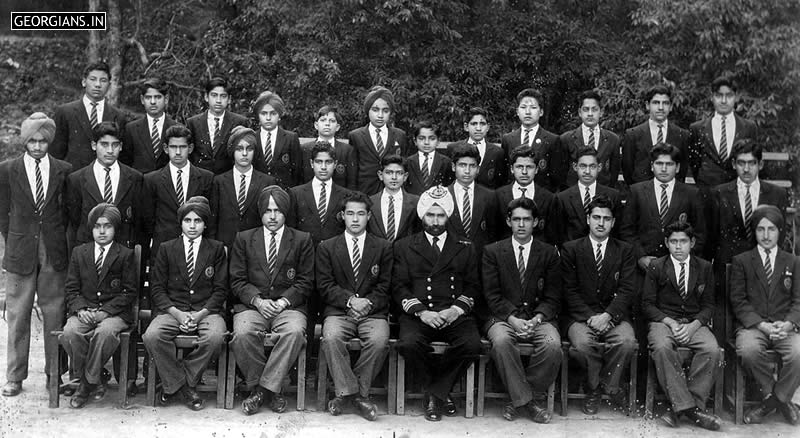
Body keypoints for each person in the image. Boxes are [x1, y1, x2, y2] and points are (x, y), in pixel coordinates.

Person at [392, 186, 482, 422]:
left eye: (440, 215)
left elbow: (474, 286)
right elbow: (399, 286)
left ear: (448, 216)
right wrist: (422, 312)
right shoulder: (404, 246)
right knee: (409, 344)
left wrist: (455, 310)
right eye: (430, 215)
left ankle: (434, 394)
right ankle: (441, 394)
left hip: (453, 313)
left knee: (472, 344)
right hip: (420, 314)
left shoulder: (465, 246)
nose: (435, 220)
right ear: (422, 216)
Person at [0, 113, 72, 397]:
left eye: (43, 140)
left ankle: (55, 374)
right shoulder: (7, 170)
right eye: (33, 140)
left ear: (49, 141)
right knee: (18, 314)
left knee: (55, 312)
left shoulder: (63, 170)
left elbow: (67, 211)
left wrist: (58, 241)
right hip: (20, 250)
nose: (38, 146)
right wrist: (14, 238)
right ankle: (15, 376)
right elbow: (2, 212)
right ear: (24, 140)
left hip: (53, 250)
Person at [229, 186, 314, 416]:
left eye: (277, 210)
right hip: (253, 306)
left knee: (295, 332)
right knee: (243, 333)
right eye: (267, 211)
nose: (273, 216)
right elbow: (236, 280)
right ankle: (268, 389)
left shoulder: (301, 239)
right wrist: (257, 301)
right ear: (260, 213)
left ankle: (261, 391)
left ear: (285, 212)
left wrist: (284, 302)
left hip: (288, 307)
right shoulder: (244, 239)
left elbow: (306, 281)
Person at [142, 196, 228, 411]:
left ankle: (177, 383)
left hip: (206, 312)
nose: (192, 226)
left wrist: (199, 315)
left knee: (216, 336)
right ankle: (185, 387)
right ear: (180, 223)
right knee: (152, 336)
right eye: (187, 220)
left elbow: (220, 290)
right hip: (173, 311)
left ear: (205, 224)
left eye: (197, 221)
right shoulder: (167, 248)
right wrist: (178, 314)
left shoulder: (216, 249)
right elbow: (157, 289)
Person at [480, 197, 562, 423]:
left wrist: (538, 317)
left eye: (527, 219)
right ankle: (529, 403)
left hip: (538, 318)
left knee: (552, 345)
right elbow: (491, 294)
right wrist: (512, 318)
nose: (522, 224)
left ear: (536, 222)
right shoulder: (493, 251)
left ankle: (521, 398)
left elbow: (554, 295)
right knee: (502, 342)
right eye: (516, 219)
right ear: (508, 221)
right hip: (503, 317)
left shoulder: (548, 252)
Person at [316, 192, 392, 421]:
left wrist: (367, 303)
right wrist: (350, 301)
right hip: (340, 311)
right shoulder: (327, 247)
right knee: (331, 338)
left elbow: (386, 285)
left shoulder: (383, 246)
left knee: (379, 340)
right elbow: (325, 285)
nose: (356, 219)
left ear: (369, 216)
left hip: (373, 311)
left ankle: (350, 394)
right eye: (350, 213)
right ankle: (356, 395)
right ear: (342, 216)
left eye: (361, 213)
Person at [642, 220, 721, 430]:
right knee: (661, 347)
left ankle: (685, 405)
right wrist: (668, 321)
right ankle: (692, 410)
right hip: (663, 322)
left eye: (683, 241)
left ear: (692, 243)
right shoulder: (656, 266)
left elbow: (709, 305)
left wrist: (694, 326)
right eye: (674, 241)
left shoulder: (704, 267)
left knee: (712, 349)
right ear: (666, 243)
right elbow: (647, 305)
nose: (678, 246)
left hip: (694, 323)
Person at [561, 195, 637, 416]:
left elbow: (626, 289)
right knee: (583, 345)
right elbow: (569, 290)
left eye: (606, 218)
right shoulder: (571, 249)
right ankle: (595, 387)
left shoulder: (625, 250)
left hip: (614, 315)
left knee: (626, 342)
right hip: (580, 316)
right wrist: (590, 317)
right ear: (588, 219)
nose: (601, 223)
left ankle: (608, 386)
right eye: (596, 217)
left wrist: (608, 316)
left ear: (613, 222)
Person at [708, 139, 788, 338]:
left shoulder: (776, 194)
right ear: (734, 164)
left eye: (751, 163)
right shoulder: (719, 193)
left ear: (760, 165)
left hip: (762, 267)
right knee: (724, 328)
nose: (746, 169)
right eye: (741, 163)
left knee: (757, 326)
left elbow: (780, 233)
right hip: (727, 266)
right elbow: (711, 236)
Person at [730, 205, 800, 426]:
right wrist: (762, 326)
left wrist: (789, 324)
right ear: (754, 232)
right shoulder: (742, 261)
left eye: (771, 229)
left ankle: (772, 401)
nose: (766, 235)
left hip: (784, 326)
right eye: (761, 229)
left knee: (799, 352)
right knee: (748, 350)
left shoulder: (793, 261)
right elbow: (738, 302)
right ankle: (777, 397)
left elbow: (799, 300)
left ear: (780, 231)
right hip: (754, 327)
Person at [61, 204, 136, 408]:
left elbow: (129, 292)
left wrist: (106, 312)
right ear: (91, 229)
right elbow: (71, 288)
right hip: (85, 311)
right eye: (97, 226)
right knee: (70, 332)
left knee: (105, 333)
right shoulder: (79, 252)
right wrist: (81, 309)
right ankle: (97, 374)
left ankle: (85, 383)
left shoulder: (125, 254)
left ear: (115, 229)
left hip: (114, 314)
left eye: (107, 226)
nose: (102, 231)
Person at [619, 143, 705, 272]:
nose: (664, 169)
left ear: (677, 168)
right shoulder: (637, 191)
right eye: (659, 164)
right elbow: (627, 230)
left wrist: (682, 259)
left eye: (669, 164)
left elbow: (700, 233)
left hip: (679, 266)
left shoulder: (691, 194)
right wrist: (641, 257)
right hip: (645, 265)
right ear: (652, 166)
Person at [141, 124, 213, 258]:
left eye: (183, 147)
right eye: (173, 147)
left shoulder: (206, 178)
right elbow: (148, 219)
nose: (178, 152)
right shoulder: (152, 180)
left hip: (197, 247)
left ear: (190, 148)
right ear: (166, 149)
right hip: (163, 247)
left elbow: (209, 217)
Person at [67, 121, 143, 249]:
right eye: (104, 145)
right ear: (94, 145)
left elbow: (138, 222)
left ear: (121, 146)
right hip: (88, 250)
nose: (110, 150)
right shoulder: (76, 179)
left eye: (115, 145)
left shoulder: (135, 178)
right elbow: (74, 222)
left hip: (122, 251)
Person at [208, 126, 276, 248]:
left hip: (256, 247)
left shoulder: (267, 182)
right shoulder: (219, 181)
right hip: (226, 247)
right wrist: (215, 247)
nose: (244, 154)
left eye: (249, 149)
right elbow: (213, 220)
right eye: (239, 149)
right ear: (232, 151)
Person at [51, 62, 128, 169]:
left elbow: (123, 156)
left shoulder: (118, 116)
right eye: (93, 79)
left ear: (109, 84)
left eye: (103, 80)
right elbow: (56, 153)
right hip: (72, 177)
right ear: (84, 82)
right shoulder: (65, 112)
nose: (98, 84)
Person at [689, 76, 758, 188]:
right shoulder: (697, 128)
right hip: (708, 191)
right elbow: (695, 164)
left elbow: (753, 160)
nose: (724, 101)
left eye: (729, 96)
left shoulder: (749, 127)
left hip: (737, 192)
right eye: (719, 95)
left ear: (736, 97)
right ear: (712, 97)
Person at [621, 85, 690, 184]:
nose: (661, 107)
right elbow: (627, 169)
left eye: (665, 103)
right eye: (656, 103)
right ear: (647, 105)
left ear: (670, 107)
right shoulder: (633, 135)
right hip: (641, 194)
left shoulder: (682, 135)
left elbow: (682, 169)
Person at [348, 85, 410, 195]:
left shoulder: (399, 135)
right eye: (375, 110)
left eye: (385, 111)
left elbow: (403, 165)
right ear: (368, 110)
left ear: (390, 112)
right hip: (365, 191)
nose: (380, 115)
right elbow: (353, 170)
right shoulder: (356, 136)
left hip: (392, 191)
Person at [495, 146, 561, 244]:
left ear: (537, 169)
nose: (524, 172)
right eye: (519, 167)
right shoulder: (498, 196)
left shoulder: (549, 198)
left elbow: (551, 235)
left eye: (529, 167)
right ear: (512, 169)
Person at [556, 147, 621, 245]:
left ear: (599, 167)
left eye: (592, 166)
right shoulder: (562, 198)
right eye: (583, 166)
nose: (587, 171)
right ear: (575, 166)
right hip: (573, 254)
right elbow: (559, 233)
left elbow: (617, 231)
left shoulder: (613, 195)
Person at [500, 88, 562, 192]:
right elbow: (504, 174)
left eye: (533, 108)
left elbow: (555, 177)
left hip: (541, 197)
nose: (528, 112)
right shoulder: (508, 139)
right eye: (523, 107)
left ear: (541, 112)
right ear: (517, 111)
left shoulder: (552, 140)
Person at [559, 90, 620, 190]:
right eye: (586, 109)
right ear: (580, 112)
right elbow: (562, 173)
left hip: (602, 195)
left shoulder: (613, 139)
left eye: (594, 109)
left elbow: (614, 172)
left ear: (601, 112)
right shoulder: (566, 138)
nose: (590, 114)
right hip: (574, 195)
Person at [187, 76, 249, 175]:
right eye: (214, 95)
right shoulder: (193, 123)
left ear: (229, 99)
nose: (218, 100)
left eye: (223, 96)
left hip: (228, 180)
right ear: (206, 97)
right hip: (200, 179)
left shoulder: (240, 122)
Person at [447, 144, 499, 253]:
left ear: (478, 169)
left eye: (472, 166)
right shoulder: (444, 194)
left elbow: (493, 233)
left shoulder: (490, 196)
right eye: (462, 165)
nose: (467, 171)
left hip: (479, 258)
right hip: (450, 258)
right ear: (453, 167)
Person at [119, 78, 176, 173]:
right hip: (140, 184)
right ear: (142, 100)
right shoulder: (131, 129)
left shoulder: (176, 128)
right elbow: (125, 164)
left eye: (157, 97)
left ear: (166, 99)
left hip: (167, 184)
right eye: (148, 97)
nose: (153, 102)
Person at [251, 91, 302, 189]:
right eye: (264, 113)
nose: (268, 118)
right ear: (258, 115)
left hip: (284, 193)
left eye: (273, 113)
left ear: (279, 115)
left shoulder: (291, 138)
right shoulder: (252, 137)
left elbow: (297, 172)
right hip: (258, 192)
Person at [446, 107, 506, 189]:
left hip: (487, 199)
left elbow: (500, 182)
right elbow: (449, 178)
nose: (478, 128)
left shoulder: (497, 152)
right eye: (474, 124)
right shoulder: (453, 148)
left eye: (482, 124)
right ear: (466, 126)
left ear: (488, 127)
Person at [301, 106, 357, 190]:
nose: (327, 124)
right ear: (316, 125)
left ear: (337, 127)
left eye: (332, 121)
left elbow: (351, 182)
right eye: (323, 120)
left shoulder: (347, 150)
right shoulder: (305, 149)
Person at [367, 155, 420, 242]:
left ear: (405, 176)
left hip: (405, 253)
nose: (394, 177)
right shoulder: (370, 202)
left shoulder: (415, 202)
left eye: (399, 173)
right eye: (389, 172)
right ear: (380, 175)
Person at [404, 121, 454, 195]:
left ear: (438, 141)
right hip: (413, 204)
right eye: (421, 138)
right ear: (415, 141)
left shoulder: (446, 162)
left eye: (432, 138)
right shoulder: (407, 162)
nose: (426, 142)